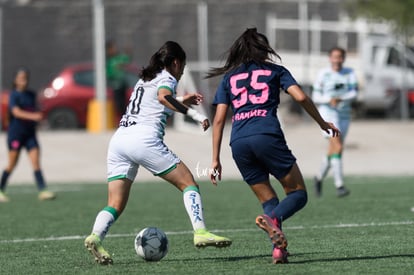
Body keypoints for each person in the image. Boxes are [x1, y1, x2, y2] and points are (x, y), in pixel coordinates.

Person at [84, 41, 232, 265]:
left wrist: (181, 100)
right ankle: (200, 231)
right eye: (182, 67)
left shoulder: (145, 79)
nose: (181, 73)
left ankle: (95, 237)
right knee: (188, 183)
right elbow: (163, 97)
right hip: (144, 140)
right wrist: (196, 115)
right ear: (175, 63)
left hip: (119, 141)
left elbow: (156, 101)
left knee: (115, 203)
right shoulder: (167, 78)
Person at [207, 28, 340, 264]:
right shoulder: (276, 71)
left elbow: (218, 119)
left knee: (269, 201)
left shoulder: (229, 77)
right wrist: (321, 123)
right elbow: (300, 97)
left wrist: (215, 159)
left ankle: (279, 250)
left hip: (238, 143)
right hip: (266, 135)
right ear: (265, 49)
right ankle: (272, 220)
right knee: (298, 194)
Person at [0, 68, 56, 203]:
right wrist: (33, 116)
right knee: (12, 164)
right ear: (16, 80)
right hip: (16, 135)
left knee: (36, 163)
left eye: (25, 77)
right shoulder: (14, 95)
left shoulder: (31, 94)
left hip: (30, 135)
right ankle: (1, 189)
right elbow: (16, 112)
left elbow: (38, 110)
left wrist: (40, 116)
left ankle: (43, 190)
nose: (23, 80)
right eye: (20, 78)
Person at [312, 47, 358, 198]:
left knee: (334, 150)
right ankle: (339, 185)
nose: (337, 60)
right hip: (328, 115)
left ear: (343, 59)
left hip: (344, 115)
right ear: (330, 58)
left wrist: (341, 99)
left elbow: (354, 92)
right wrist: (329, 100)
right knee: (338, 146)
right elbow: (316, 96)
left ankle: (318, 178)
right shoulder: (323, 74)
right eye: (334, 57)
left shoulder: (349, 73)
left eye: (340, 57)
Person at [105, 40, 131, 119]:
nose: (114, 49)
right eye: (112, 48)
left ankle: (125, 119)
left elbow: (126, 59)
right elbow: (108, 73)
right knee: (119, 105)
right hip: (115, 87)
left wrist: (128, 52)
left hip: (121, 86)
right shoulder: (108, 60)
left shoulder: (117, 57)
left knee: (123, 105)